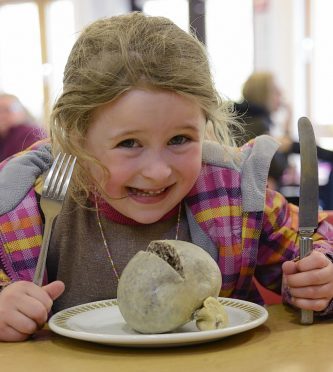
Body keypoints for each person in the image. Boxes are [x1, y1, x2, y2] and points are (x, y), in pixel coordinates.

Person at [1, 12, 333, 342]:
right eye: (129, 143)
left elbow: (318, 237)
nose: (158, 171)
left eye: (180, 140)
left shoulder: (233, 191)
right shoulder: (30, 200)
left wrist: (321, 275)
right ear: (77, 137)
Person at [234, 72, 333, 193]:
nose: (281, 95)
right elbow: (277, 168)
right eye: (276, 91)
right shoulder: (257, 123)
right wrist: (286, 144)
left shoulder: (247, 119)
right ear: (263, 94)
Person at [0, 93, 46, 162]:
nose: (2, 116)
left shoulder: (32, 134)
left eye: (7, 110)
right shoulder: (4, 136)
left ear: (21, 112)